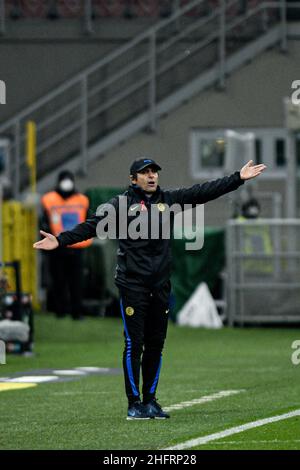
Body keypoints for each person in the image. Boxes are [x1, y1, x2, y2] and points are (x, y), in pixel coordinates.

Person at [34, 158, 266, 419]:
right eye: (145, 172)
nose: (151, 176)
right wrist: (61, 240)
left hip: (160, 286)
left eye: (154, 171)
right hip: (133, 285)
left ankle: (151, 400)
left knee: (156, 344)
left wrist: (238, 177)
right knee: (135, 344)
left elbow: (203, 192)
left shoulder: (168, 200)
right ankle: (134, 403)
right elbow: (91, 226)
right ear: (133, 179)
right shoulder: (120, 205)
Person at [40, 170, 92, 320]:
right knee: (58, 280)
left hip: (77, 246)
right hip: (57, 246)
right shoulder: (49, 199)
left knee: (77, 281)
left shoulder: (82, 200)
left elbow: (88, 222)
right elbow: (44, 222)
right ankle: (60, 310)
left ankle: (77, 311)